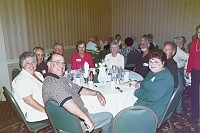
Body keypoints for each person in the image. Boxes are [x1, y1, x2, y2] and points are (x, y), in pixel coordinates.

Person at [42, 54, 113, 133]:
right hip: (73, 124)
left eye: (63, 63)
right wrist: (86, 119)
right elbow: (68, 103)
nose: (61, 66)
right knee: (108, 116)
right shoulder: (52, 82)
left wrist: (96, 93)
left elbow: (78, 89)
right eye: (57, 62)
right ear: (49, 64)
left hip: (70, 120)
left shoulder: (60, 79)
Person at [134, 50, 174, 123]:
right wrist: (140, 83)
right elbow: (146, 81)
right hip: (147, 104)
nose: (152, 64)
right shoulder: (153, 72)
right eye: (151, 61)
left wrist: (137, 92)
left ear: (163, 63)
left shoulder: (164, 78)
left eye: (156, 62)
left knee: (122, 112)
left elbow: (152, 97)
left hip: (153, 112)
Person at [12, 51, 48, 122]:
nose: (31, 65)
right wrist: (46, 111)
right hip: (35, 112)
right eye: (28, 63)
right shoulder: (21, 80)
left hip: (45, 104)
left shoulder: (37, 74)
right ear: (22, 65)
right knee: (65, 112)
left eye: (33, 62)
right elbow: (29, 101)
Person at [186, 25, 200, 119]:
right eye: (198, 32)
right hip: (195, 71)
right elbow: (191, 58)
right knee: (194, 92)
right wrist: (188, 70)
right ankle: (195, 111)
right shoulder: (194, 43)